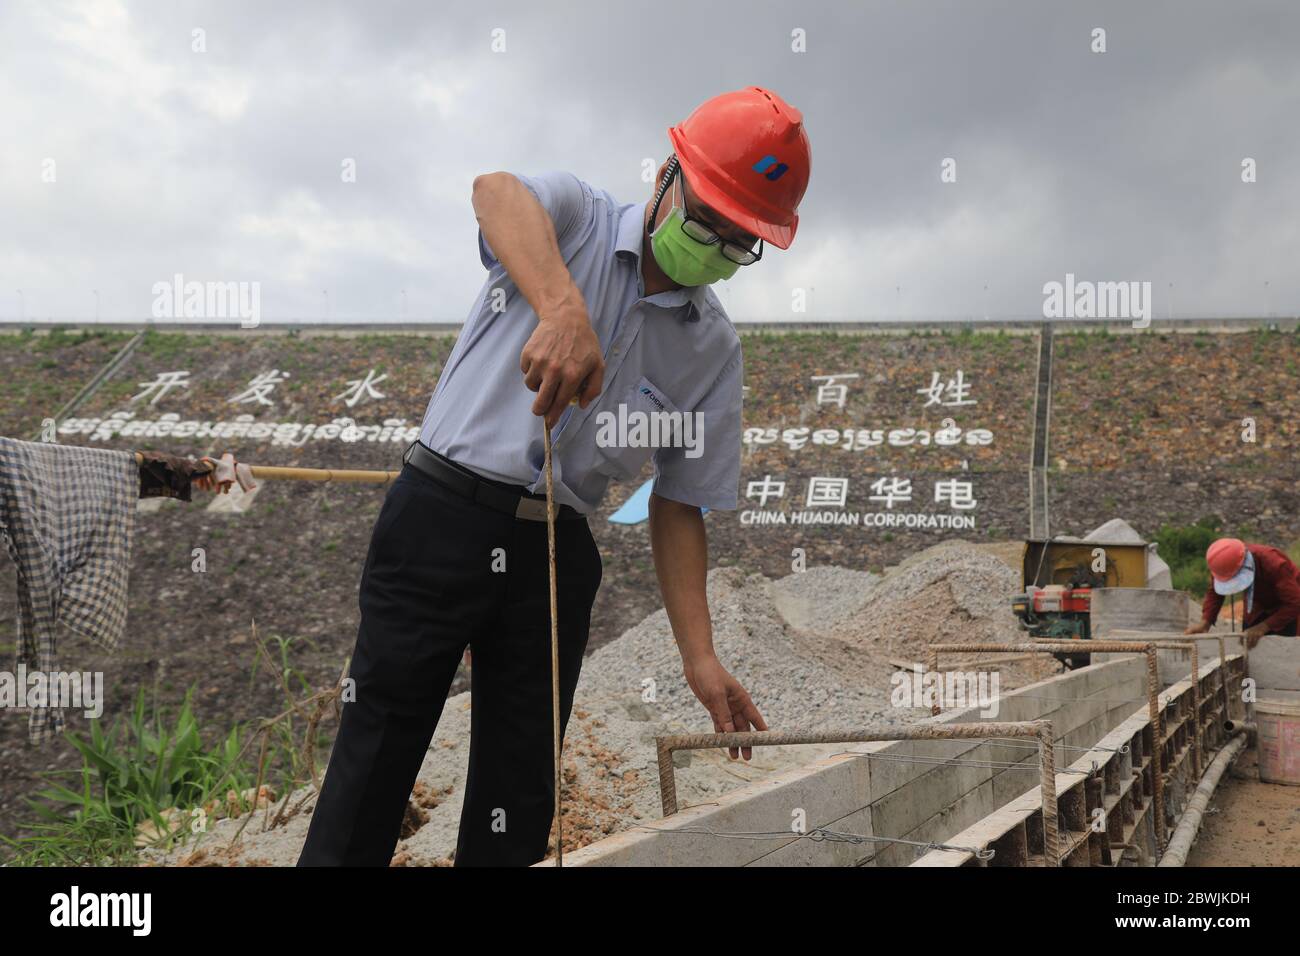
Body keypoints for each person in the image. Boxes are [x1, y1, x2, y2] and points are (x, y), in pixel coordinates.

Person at [297, 87, 812, 866]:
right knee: (375, 761)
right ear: (668, 174)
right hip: (441, 515)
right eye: (705, 218)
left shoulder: (711, 351)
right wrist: (561, 306)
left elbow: (678, 505)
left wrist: (699, 658)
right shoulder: (575, 217)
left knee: (519, 793)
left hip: (552, 553)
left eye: (737, 241)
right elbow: (493, 192)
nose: (711, 244)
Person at [1184, 537, 1300, 647]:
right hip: (1255, 602)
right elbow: (1215, 592)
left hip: (1287, 605)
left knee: (1286, 650)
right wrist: (1205, 622)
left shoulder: (1273, 562)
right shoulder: (1222, 565)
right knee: (1249, 641)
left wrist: (1263, 627)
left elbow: (1295, 603)